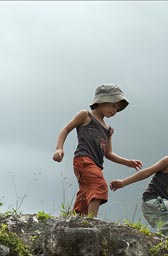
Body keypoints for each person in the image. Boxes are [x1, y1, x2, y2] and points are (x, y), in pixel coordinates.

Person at [53, 84, 143, 217]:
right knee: (98, 185)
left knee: (86, 193)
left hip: (96, 164)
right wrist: (59, 148)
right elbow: (66, 129)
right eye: (113, 105)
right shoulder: (85, 116)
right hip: (83, 159)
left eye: (118, 108)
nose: (115, 110)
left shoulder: (108, 129)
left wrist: (127, 162)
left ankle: (76, 218)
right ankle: (92, 221)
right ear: (102, 101)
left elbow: (109, 153)